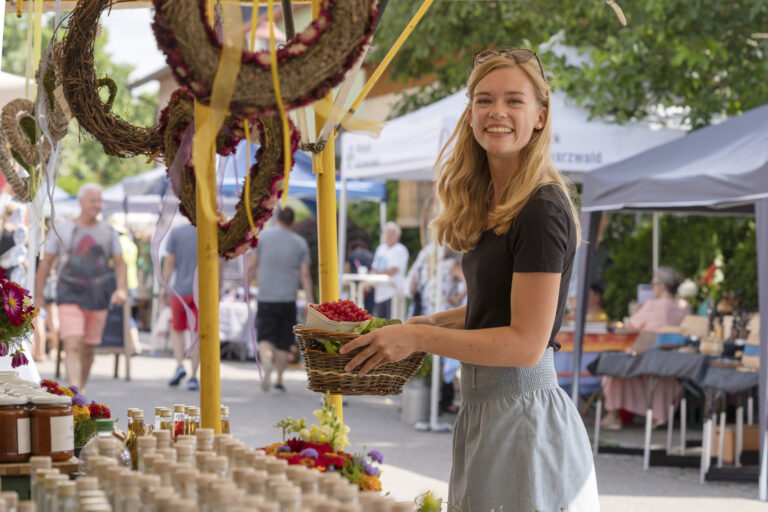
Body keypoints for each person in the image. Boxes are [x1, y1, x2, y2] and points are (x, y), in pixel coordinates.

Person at [338, 49, 599, 510]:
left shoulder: (541, 208)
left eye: (514, 101)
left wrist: (418, 336)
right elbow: (498, 308)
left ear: (540, 117)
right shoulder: (502, 200)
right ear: (471, 112)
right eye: (484, 100)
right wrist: (432, 323)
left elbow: (525, 343)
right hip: (491, 408)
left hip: (523, 414)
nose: (497, 112)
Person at [35, 183, 127, 393]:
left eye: (99, 200)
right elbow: (46, 262)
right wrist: (38, 295)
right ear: (81, 202)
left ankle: (81, 389)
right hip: (69, 293)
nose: (97, 205)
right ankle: (75, 393)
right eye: (93, 200)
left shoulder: (108, 231)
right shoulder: (64, 228)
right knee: (73, 343)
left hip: (98, 296)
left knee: (88, 347)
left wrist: (121, 289)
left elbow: (120, 262)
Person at [600, 266, 690, 430]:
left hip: (648, 356)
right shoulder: (685, 306)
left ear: (662, 286)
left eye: (653, 284)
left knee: (610, 367)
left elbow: (631, 324)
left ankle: (613, 415)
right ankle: (658, 414)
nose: (652, 287)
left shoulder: (653, 306)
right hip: (674, 359)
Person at [247, 207, 313, 392]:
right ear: (292, 222)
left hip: (266, 296)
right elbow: (305, 274)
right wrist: (310, 301)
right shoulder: (300, 243)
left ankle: (267, 361)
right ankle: (279, 379)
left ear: (276, 219)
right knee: (284, 339)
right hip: (288, 298)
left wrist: (244, 284)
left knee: (265, 336)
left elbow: (252, 265)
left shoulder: (263, 238)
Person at [161, 221, 200, 391]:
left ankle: (179, 365)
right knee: (196, 334)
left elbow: (170, 261)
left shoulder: (177, 232)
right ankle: (193, 376)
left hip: (179, 291)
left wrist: (165, 286)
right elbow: (219, 263)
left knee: (177, 330)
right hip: (202, 292)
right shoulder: (211, 232)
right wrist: (218, 287)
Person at [370, 222, 409, 319]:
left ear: (398, 235)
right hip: (380, 292)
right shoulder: (380, 248)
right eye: (387, 232)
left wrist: (376, 274)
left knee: (392, 323)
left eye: (392, 232)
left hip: (393, 293)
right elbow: (374, 267)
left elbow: (393, 269)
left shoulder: (400, 249)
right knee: (380, 322)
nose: (389, 235)